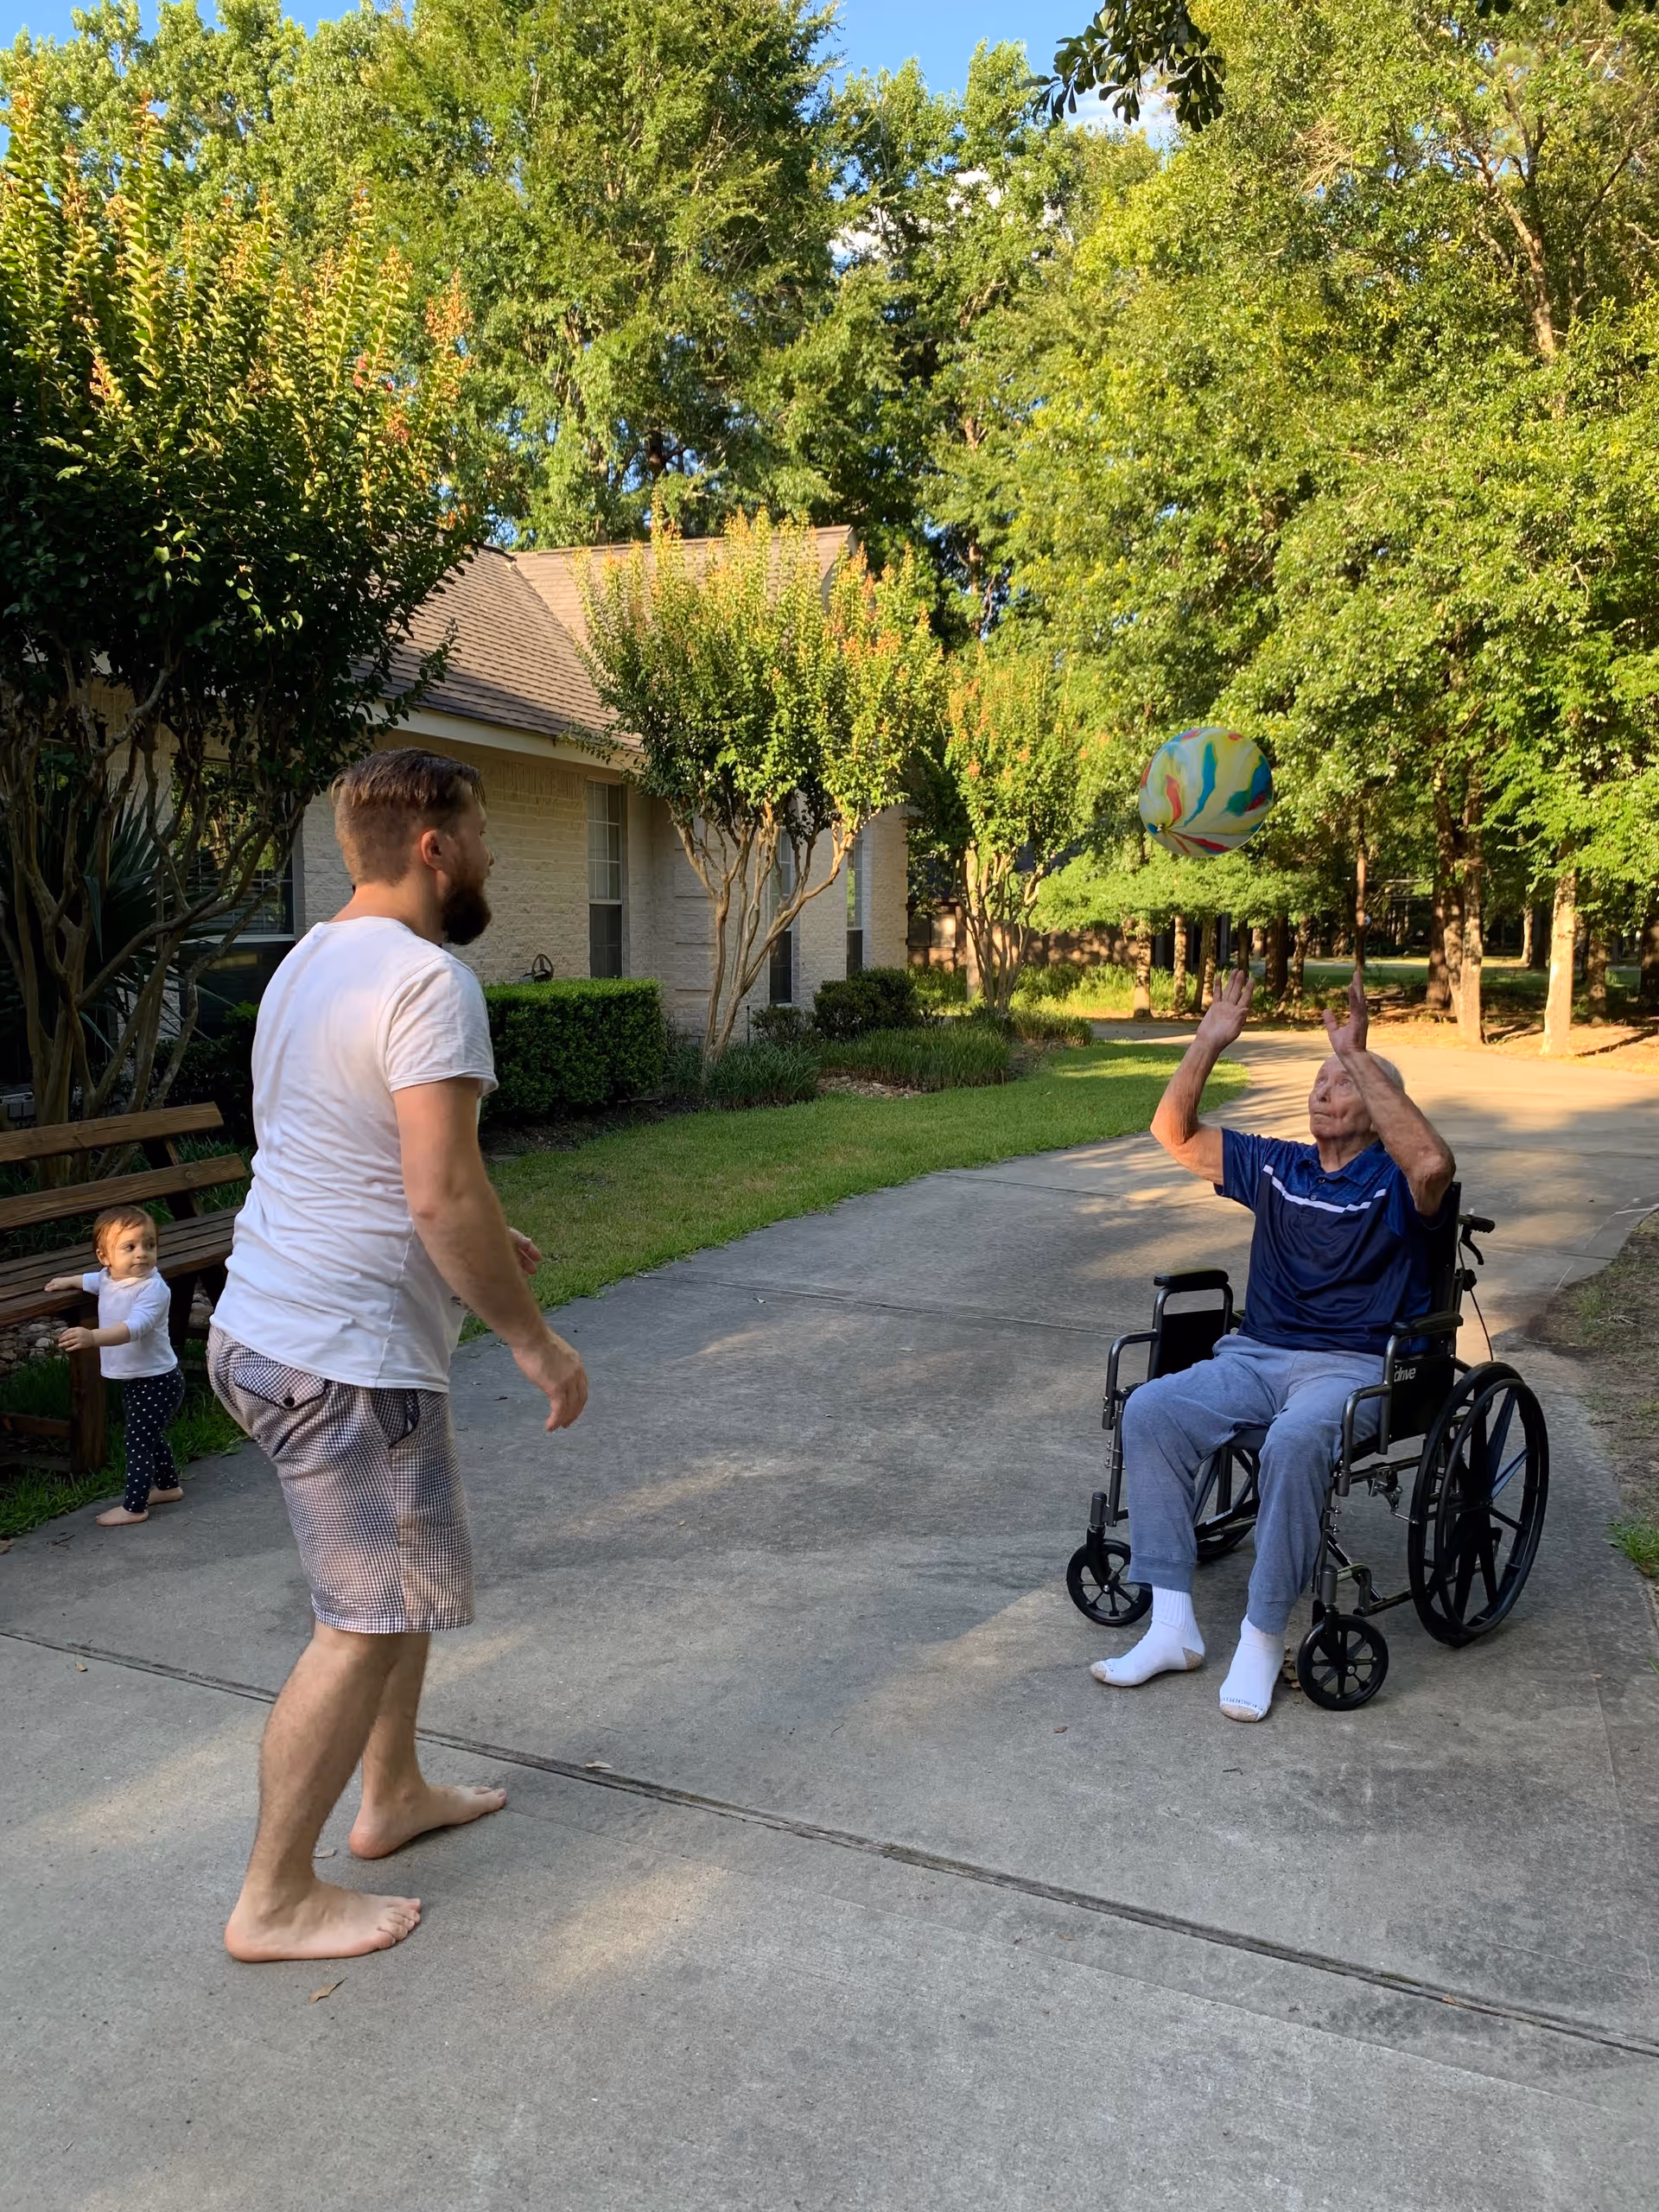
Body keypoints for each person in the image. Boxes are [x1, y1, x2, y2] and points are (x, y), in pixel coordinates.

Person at [207, 748, 588, 1963]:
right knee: (362, 1620)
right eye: (480, 834)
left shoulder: (308, 963)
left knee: (399, 1587)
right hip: (344, 1362)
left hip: (262, 1326)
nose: (489, 857)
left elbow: (360, 1151)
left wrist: (483, 1231)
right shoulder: (431, 980)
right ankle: (273, 1898)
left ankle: (395, 1794)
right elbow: (434, 1190)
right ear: (434, 846)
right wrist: (533, 1344)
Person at [1094, 964, 1455, 1723]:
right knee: (1154, 1409)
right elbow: (1173, 1133)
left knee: (1295, 1440)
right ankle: (1171, 1627)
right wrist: (1209, 1040)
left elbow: (1433, 1163)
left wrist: (1360, 1052)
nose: (1325, 1090)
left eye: (1346, 1081)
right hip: (1255, 1357)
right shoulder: (1277, 1164)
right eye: (1321, 1079)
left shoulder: (1396, 1180)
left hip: (1355, 1367)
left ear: (1381, 1106)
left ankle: (1262, 1637)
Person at [47, 1207, 186, 1528]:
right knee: (149, 1435)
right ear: (104, 1256)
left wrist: (92, 1336)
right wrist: (68, 1280)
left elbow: (134, 1327)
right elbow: (95, 1280)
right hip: (138, 1378)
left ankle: (134, 1507)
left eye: (149, 1245)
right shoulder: (110, 1277)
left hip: (158, 1380)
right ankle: (168, 1487)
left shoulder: (152, 1289)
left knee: (137, 1440)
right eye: (130, 1247)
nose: (142, 1254)